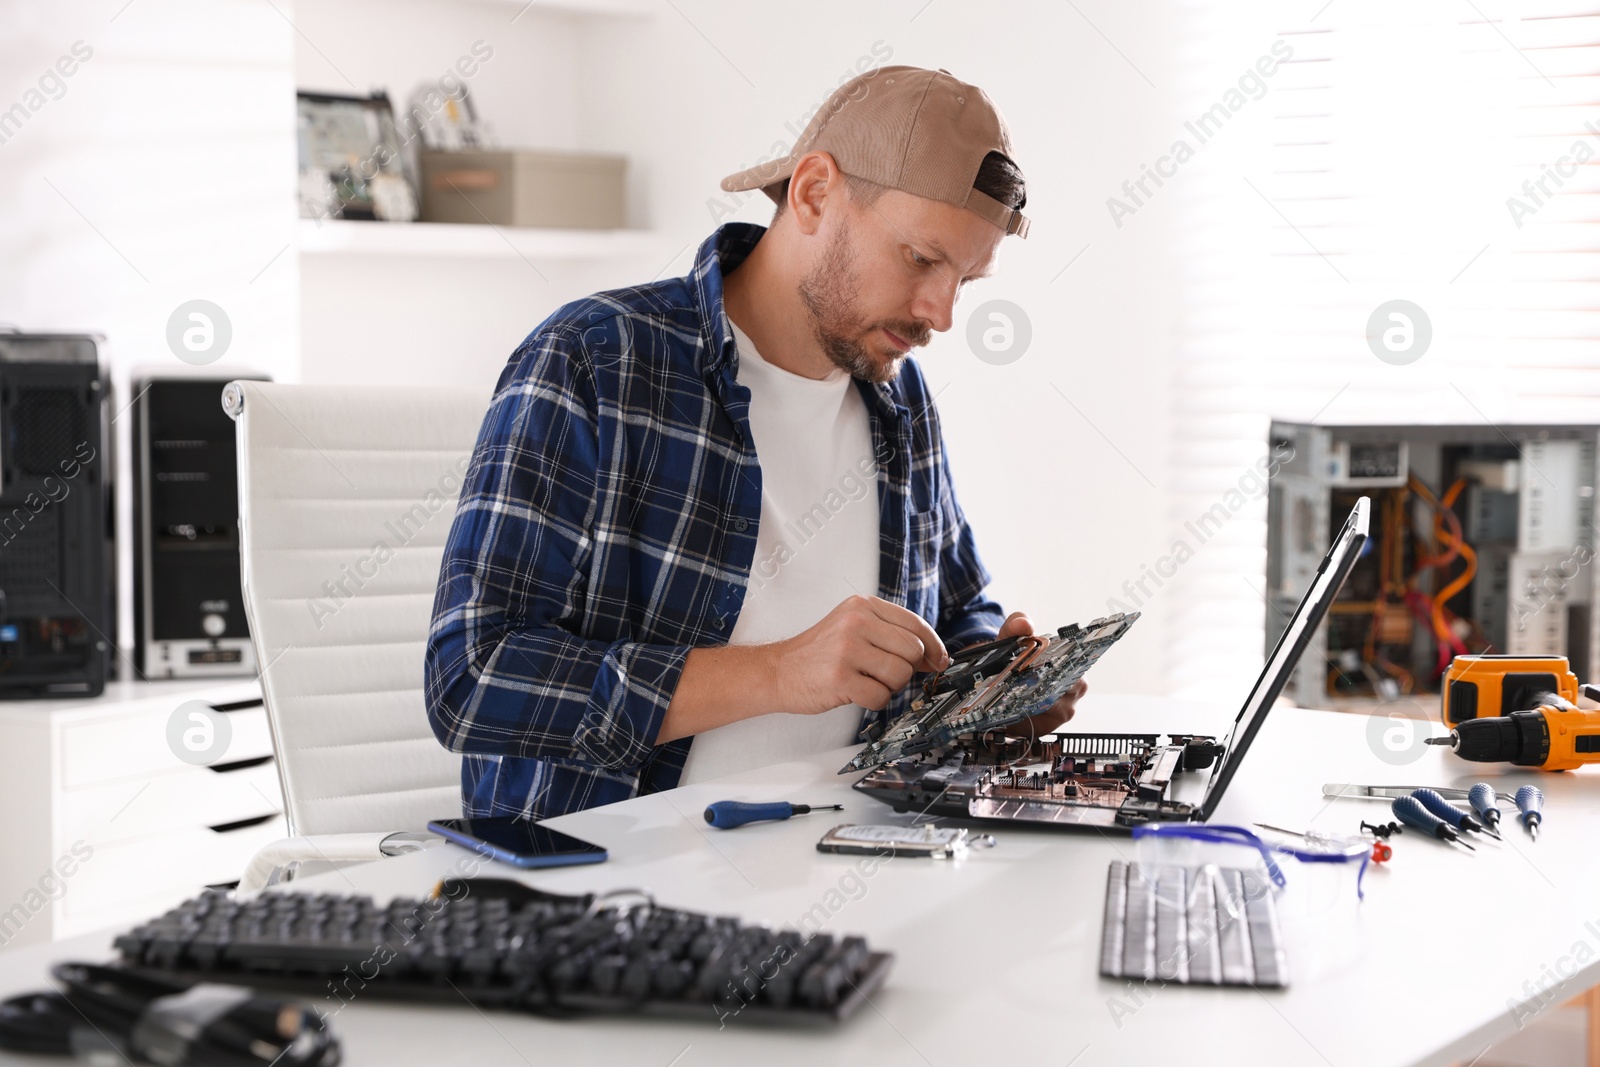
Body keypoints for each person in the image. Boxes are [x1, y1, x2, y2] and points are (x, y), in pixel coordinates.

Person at [425, 65, 1084, 818]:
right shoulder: (594, 361)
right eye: (921, 258)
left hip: (847, 866)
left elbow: (959, 611)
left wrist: (995, 685)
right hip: (610, 891)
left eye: (965, 280)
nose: (940, 313)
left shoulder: (900, 399)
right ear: (813, 193)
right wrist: (778, 673)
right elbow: (469, 680)